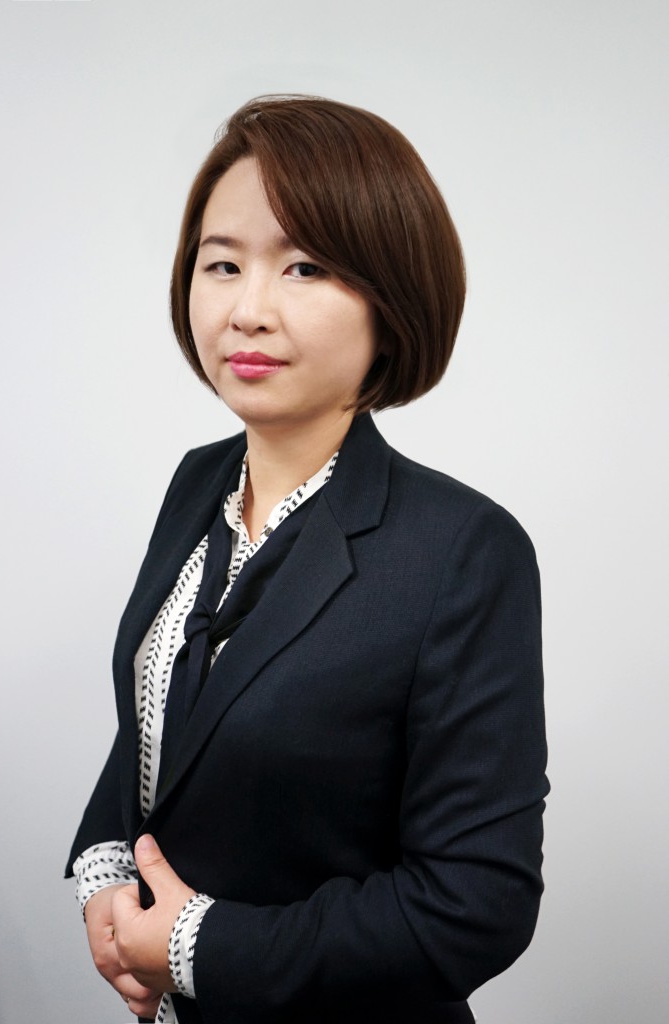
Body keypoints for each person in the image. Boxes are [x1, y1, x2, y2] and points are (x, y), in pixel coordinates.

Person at [66, 95, 548, 1024]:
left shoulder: (464, 550)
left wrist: (193, 945)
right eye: (222, 264)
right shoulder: (198, 481)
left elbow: (474, 905)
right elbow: (169, 721)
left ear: (390, 299)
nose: (247, 310)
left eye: (305, 267)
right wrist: (105, 869)